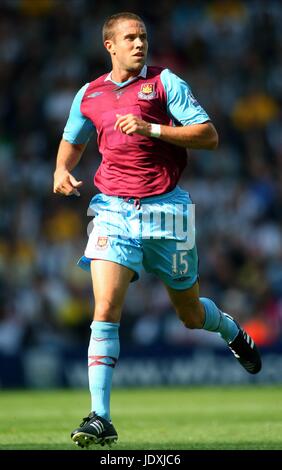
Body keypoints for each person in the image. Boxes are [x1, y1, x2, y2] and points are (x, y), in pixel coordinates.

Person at [53, 12, 262, 449]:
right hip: (112, 210)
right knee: (106, 306)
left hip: (167, 211)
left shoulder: (166, 83)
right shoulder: (89, 94)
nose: (139, 43)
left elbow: (208, 135)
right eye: (130, 37)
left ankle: (228, 330)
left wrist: (151, 127)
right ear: (109, 45)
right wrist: (61, 169)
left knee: (189, 315)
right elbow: (74, 137)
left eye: (143, 36)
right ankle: (100, 417)